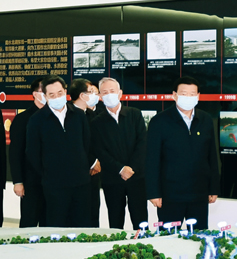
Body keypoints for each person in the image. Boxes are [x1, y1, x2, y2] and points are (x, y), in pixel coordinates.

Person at [146, 77, 219, 231]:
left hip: (199, 194)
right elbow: (152, 160)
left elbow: (212, 156)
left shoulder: (205, 119)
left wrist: (213, 188)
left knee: (199, 237)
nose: (188, 97)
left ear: (198, 96)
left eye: (192, 94)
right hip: (170, 195)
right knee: (169, 238)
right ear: (174, 95)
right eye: (184, 94)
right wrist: (153, 192)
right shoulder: (159, 121)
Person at [26, 75, 95, 227]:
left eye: (59, 93)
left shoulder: (78, 115)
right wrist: (48, 172)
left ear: (65, 91)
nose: (56, 97)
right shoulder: (37, 120)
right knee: (56, 226)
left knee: (82, 225)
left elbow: (87, 144)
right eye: (51, 95)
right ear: (45, 96)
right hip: (54, 186)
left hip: (81, 183)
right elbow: (33, 153)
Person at [92, 77, 149, 230]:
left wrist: (131, 168)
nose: (109, 95)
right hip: (112, 179)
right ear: (100, 96)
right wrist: (120, 168)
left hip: (137, 177)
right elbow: (100, 151)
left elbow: (142, 143)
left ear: (120, 93)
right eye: (105, 92)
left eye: (112, 91)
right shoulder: (96, 122)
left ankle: (143, 242)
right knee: (115, 221)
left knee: (141, 220)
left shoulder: (134, 114)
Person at [9, 77, 47, 227]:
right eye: (43, 91)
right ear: (35, 94)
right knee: (29, 222)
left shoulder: (55, 117)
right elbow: (15, 152)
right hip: (30, 181)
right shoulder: (22, 119)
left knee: (50, 223)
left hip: (52, 181)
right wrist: (18, 181)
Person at [69, 78, 103, 227]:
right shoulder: (68, 115)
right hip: (76, 175)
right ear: (82, 95)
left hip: (93, 175)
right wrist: (92, 162)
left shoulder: (90, 115)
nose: (95, 95)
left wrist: (96, 161)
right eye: (91, 92)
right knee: (77, 216)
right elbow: (75, 145)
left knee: (92, 211)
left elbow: (95, 142)